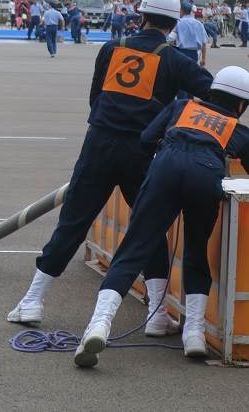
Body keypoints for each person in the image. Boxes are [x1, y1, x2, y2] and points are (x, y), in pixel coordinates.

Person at [7, 0, 213, 336]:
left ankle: (32, 300)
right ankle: (158, 314)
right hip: (144, 153)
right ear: (173, 22)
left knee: (73, 222)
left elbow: (95, 97)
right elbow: (210, 90)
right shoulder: (177, 59)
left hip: (99, 144)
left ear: (141, 15)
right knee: (148, 229)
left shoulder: (111, 48)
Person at [74, 66, 249, 367]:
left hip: (165, 168)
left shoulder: (181, 106)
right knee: (196, 252)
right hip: (206, 176)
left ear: (212, 91)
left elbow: (145, 139)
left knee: (133, 251)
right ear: (241, 105)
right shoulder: (238, 129)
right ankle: (193, 334)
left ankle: (99, 326)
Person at [169, 1, 208, 100]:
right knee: (191, 79)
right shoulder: (199, 23)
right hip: (194, 54)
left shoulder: (179, 23)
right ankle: (189, 102)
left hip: (181, 52)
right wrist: (203, 58)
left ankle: (181, 103)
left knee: (181, 80)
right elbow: (204, 42)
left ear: (181, 10)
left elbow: (170, 39)